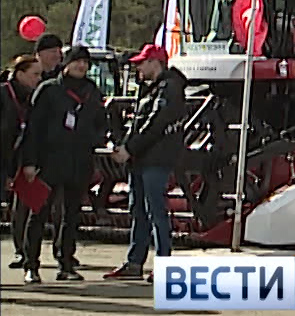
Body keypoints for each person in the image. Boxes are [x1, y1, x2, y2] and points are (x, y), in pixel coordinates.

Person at [19, 45, 108, 284]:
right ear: (66, 63)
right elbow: (33, 129)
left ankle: (66, 263)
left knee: (71, 215)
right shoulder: (48, 90)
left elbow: (101, 122)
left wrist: (96, 139)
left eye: (85, 62)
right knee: (39, 213)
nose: (81, 66)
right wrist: (30, 162)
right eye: (77, 61)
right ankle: (31, 264)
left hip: (79, 162)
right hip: (49, 161)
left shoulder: (92, 91)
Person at [104, 45, 190, 281]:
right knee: (139, 210)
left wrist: (129, 149)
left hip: (156, 159)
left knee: (154, 211)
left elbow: (155, 124)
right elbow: (142, 124)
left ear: (155, 62)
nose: (137, 67)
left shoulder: (169, 88)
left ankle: (161, 263)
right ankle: (135, 262)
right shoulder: (152, 88)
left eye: (142, 62)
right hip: (143, 159)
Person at [3, 54, 46, 269]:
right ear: (20, 74)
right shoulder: (4, 95)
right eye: (34, 74)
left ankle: (23, 251)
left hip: (11, 162)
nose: (38, 79)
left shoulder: (31, 99)